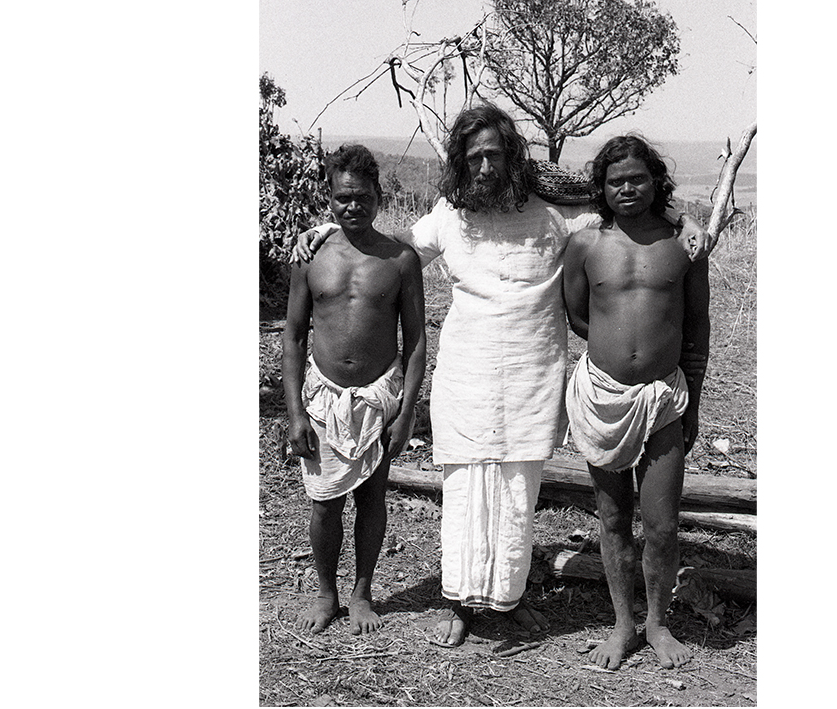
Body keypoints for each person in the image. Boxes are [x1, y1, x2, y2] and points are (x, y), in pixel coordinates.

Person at [294, 105, 706, 647]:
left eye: (493, 154)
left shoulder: (557, 217)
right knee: (465, 487)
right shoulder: (450, 214)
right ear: (460, 165)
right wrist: (326, 228)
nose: (484, 167)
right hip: (466, 374)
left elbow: (625, 209)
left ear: (511, 154)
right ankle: (460, 602)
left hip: (532, 374)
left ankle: (507, 599)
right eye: (473, 157)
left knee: (517, 489)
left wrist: (681, 215)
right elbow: (387, 244)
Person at [561, 135, 710, 670]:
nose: (628, 188)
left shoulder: (684, 246)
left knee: (664, 525)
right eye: (616, 180)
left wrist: (691, 405)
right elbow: (577, 315)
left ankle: (657, 622)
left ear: (656, 182)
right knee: (612, 517)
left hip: (666, 397)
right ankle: (623, 625)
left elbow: (698, 327)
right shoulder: (584, 245)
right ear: (601, 188)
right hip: (601, 396)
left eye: (638, 178)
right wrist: (615, 353)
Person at [281, 144, 426, 635]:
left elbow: (417, 341)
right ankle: (327, 593)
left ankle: (362, 593)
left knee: (371, 496)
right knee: (324, 502)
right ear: (331, 197)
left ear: (379, 197)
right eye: (343, 198)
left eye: (363, 197)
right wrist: (295, 412)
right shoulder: (311, 258)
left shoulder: (400, 259)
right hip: (322, 395)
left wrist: (406, 411)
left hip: (378, 396)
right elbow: (295, 335)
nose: (353, 207)